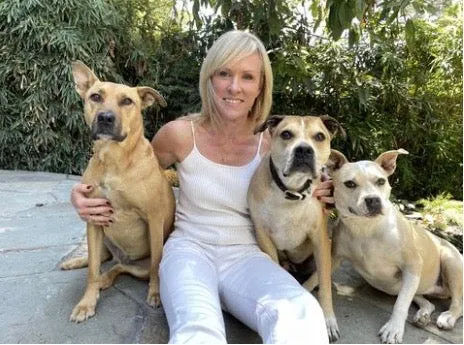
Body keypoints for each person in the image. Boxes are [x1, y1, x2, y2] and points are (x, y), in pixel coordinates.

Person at [71, 30, 334, 343]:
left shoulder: (277, 141)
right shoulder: (179, 134)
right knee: (197, 332)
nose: (234, 86)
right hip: (187, 252)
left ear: (261, 85)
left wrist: (326, 191)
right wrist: (80, 196)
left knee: (302, 316)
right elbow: (131, 172)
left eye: (248, 76)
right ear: (209, 79)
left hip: (247, 255)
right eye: (224, 73)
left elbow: (311, 179)